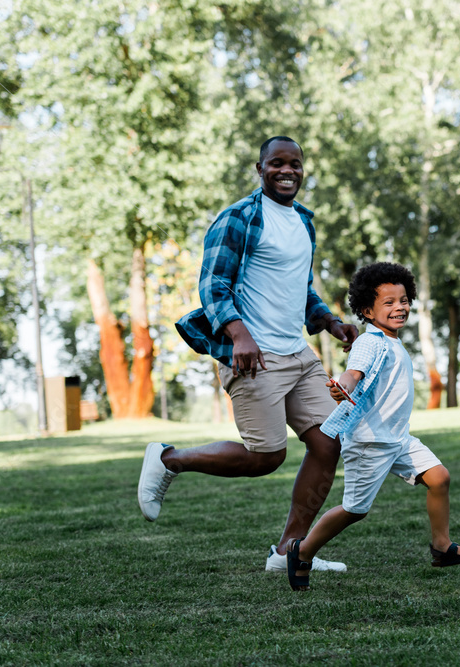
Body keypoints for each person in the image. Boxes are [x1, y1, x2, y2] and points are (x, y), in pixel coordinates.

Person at [137, 136, 359, 573]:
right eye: (277, 163)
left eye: (294, 164)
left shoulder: (303, 222)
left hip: (298, 353)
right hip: (254, 355)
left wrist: (330, 322)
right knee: (265, 457)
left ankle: (288, 552)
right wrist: (239, 334)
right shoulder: (238, 217)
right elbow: (213, 284)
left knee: (329, 443)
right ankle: (168, 459)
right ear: (260, 169)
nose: (287, 171)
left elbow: (299, 287)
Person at [284, 262, 460, 591]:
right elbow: (354, 373)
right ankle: (302, 551)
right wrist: (343, 385)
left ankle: (442, 547)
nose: (399, 307)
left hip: (398, 439)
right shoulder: (370, 342)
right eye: (388, 302)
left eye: (403, 300)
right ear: (367, 309)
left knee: (440, 477)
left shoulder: (393, 342)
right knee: (354, 509)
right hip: (369, 442)